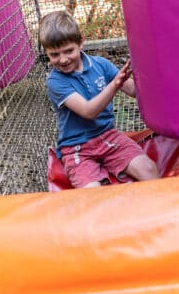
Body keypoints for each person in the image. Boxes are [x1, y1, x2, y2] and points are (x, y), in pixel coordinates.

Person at [39, 10, 160, 188]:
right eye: (54, 54)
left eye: (68, 51)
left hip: (108, 136)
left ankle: (156, 210)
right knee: (92, 192)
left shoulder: (100, 64)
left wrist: (151, 69)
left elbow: (134, 90)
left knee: (149, 169)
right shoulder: (55, 81)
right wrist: (114, 84)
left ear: (81, 42)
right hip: (77, 147)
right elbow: (89, 111)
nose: (63, 59)